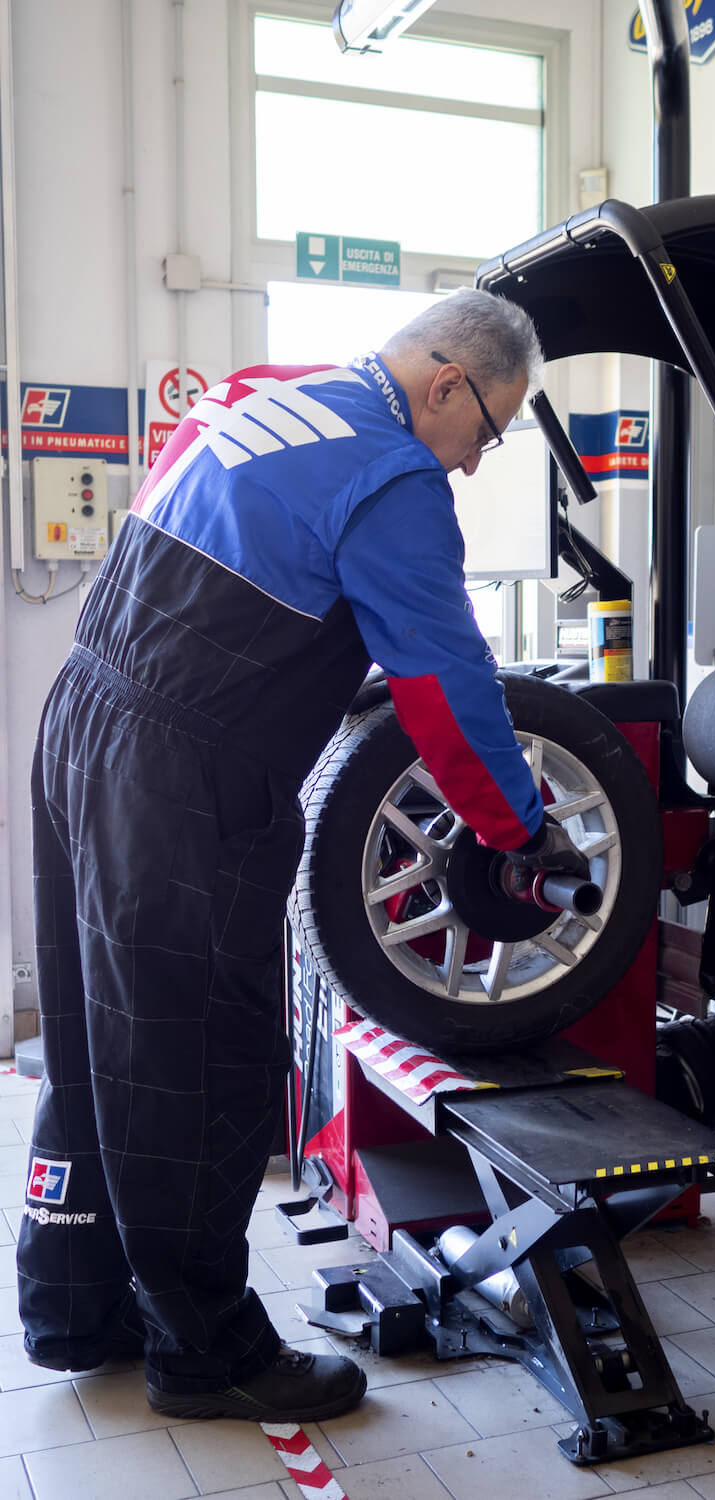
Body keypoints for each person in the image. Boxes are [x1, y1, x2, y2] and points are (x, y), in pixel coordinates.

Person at [17, 289, 587, 1423]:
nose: (473, 465)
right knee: (203, 1056)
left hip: (81, 715)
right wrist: (519, 829)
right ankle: (208, 1353)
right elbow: (450, 690)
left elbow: (235, 574)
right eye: (487, 431)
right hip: (184, 777)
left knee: (95, 1028)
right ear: (444, 385)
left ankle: (76, 1308)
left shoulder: (259, 398)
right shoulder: (395, 476)